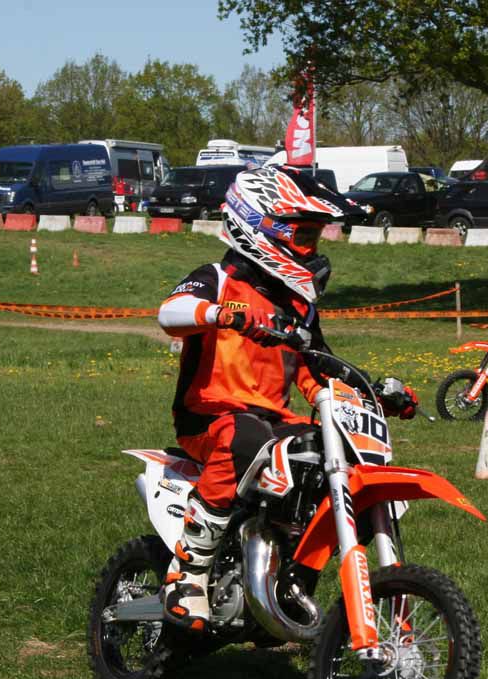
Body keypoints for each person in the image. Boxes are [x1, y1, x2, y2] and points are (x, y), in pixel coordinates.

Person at [156, 166, 417, 632]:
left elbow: (319, 369)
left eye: (316, 237)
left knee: (326, 453)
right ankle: (188, 573)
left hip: (272, 420)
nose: (312, 249)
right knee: (244, 437)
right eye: (304, 236)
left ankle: (290, 573)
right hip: (210, 416)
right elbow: (171, 313)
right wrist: (222, 315)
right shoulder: (218, 278)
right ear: (260, 227)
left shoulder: (298, 307)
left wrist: (372, 394)